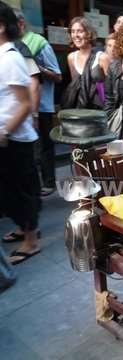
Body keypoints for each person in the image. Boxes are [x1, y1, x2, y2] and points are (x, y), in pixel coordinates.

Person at [0, 2, 41, 265]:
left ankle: (31, 241)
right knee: (11, 191)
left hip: (14, 139)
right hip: (9, 137)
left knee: (19, 191)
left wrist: (4, 132)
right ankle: (24, 228)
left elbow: (25, 102)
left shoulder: (11, 58)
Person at [15, 9, 62, 198]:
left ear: (20, 24)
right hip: (19, 105)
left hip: (41, 104)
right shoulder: (10, 44)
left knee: (43, 146)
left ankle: (49, 182)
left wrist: (36, 67)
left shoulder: (39, 43)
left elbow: (58, 76)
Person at [64, 17, 110, 109]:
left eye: (80, 31)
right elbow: (75, 86)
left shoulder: (102, 58)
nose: (76, 35)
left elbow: (111, 89)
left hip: (99, 111)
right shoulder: (71, 58)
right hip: (79, 110)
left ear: (89, 33)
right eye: (73, 31)